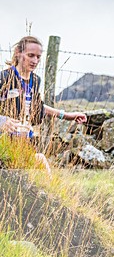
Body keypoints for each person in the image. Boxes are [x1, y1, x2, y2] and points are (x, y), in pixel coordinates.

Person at [1, 36, 88, 172]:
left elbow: (38, 106)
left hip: (24, 143)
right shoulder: (5, 77)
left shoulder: (35, 80)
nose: (35, 61)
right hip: (4, 144)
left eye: (38, 57)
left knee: (39, 162)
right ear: (18, 52)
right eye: (30, 55)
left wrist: (67, 116)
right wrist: (2, 121)